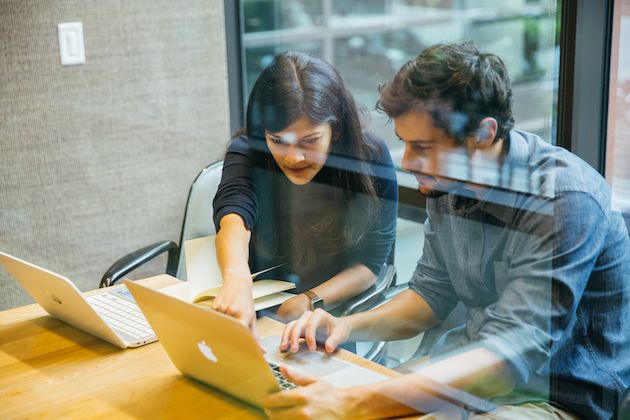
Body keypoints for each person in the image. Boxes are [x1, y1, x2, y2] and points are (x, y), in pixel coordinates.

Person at [264, 42, 630, 419]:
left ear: (484, 134)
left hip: (551, 396)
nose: (408, 162)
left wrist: (354, 403)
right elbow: (430, 294)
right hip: (460, 372)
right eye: (406, 144)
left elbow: (510, 353)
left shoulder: (564, 200)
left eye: (423, 146)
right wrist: (344, 326)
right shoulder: (449, 182)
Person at [211, 52, 398, 336]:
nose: (294, 158)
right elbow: (234, 216)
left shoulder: (368, 156)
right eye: (278, 141)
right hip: (255, 310)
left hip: (329, 315)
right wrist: (236, 279)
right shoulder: (249, 150)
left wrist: (309, 301)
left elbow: (372, 263)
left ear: (335, 130)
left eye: (309, 141)